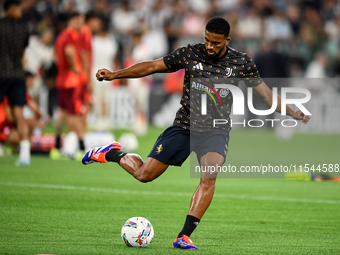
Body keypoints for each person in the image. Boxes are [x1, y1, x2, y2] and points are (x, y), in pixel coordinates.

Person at [82, 17, 310, 250]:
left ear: (227, 40)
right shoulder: (190, 53)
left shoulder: (241, 62)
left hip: (216, 130)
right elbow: (151, 66)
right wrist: (114, 74)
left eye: (215, 43)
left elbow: (266, 95)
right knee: (144, 175)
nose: (209, 46)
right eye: (207, 40)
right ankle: (112, 153)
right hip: (184, 125)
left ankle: (184, 236)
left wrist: (292, 112)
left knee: (209, 176)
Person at [50, 12, 85, 161]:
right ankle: (82, 148)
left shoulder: (60, 36)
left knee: (62, 114)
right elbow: (69, 52)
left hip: (61, 80)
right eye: (77, 21)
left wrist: (62, 69)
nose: (80, 25)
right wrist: (76, 67)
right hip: (71, 81)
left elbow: (55, 54)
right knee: (75, 114)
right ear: (70, 21)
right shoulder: (71, 35)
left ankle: (56, 147)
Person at [0, 0, 30, 166]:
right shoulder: (23, 27)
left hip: (2, 72)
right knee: (19, 112)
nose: (20, 11)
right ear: (12, 8)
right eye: (19, 8)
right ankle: (25, 153)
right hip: (18, 73)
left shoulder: (1, 26)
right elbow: (22, 53)